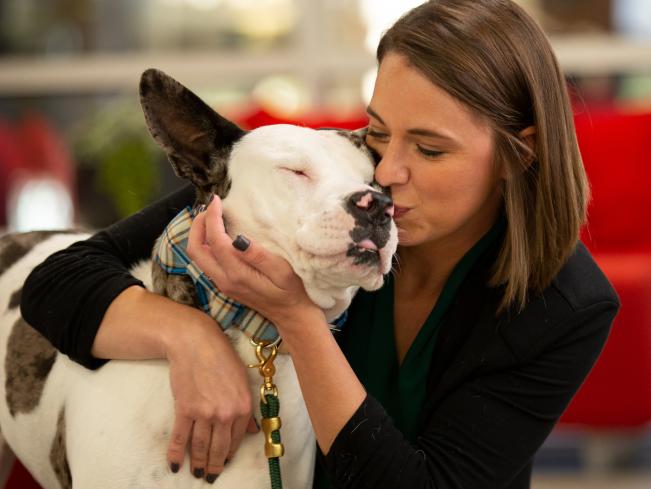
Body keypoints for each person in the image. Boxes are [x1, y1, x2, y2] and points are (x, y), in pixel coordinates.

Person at [21, 1, 619, 487]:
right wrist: (189, 337)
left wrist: (297, 319)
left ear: (522, 153)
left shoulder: (567, 305)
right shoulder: (338, 180)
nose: (387, 175)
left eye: (430, 150)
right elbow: (56, 283)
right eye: (381, 131)